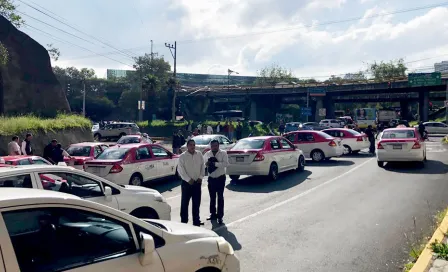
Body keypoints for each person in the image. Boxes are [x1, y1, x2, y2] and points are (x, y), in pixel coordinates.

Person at [177, 139, 205, 227]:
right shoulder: (182, 156)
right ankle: (184, 222)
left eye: (194, 145)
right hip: (187, 184)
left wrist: (201, 177)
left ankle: (196, 221)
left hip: (197, 183)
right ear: (187, 146)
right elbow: (180, 170)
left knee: (196, 203)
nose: (192, 147)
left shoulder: (199, 154)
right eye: (191, 145)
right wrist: (188, 179)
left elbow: (202, 166)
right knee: (185, 203)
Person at [204, 140, 229, 225]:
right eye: (213, 146)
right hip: (211, 178)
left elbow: (225, 164)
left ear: (218, 146)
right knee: (212, 197)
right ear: (210, 146)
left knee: (220, 197)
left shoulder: (223, 153)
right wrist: (207, 164)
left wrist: (215, 164)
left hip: (220, 178)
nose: (214, 147)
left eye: (216, 146)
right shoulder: (207, 154)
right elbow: (204, 164)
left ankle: (220, 216)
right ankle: (213, 214)